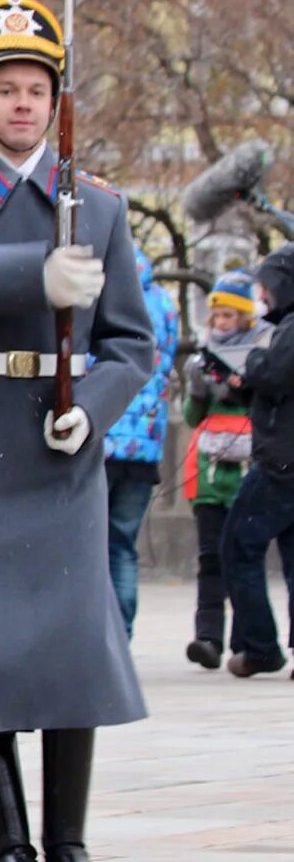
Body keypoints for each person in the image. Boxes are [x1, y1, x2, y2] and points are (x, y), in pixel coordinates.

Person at [0, 0, 152, 862]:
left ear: (56, 101)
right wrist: (32, 273)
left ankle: (67, 839)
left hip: (58, 447)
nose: (23, 104)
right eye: (5, 88)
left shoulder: (97, 205)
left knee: (65, 655)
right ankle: (9, 839)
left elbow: (132, 343)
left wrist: (91, 413)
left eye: (36, 89)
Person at [181, 272, 271, 669]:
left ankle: (245, 640)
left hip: (249, 471)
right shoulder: (203, 358)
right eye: (217, 315)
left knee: (243, 558)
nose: (221, 323)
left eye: (229, 316)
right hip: (210, 473)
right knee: (210, 558)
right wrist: (198, 387)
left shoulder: (264, 354)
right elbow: (191, 416)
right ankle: (208, 637)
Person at [220, 246, 294, 678]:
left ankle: (260, 646)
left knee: (238, 547)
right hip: (285, 456)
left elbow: (275, 373)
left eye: (266, 285)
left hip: (281, 463)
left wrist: (250, 361)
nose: (262, 294)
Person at [102, 251, 179, 636]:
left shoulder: (103, 291)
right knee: (124, 544)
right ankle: (125, 631)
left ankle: (104, 634)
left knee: (94, 544)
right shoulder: (163, 302)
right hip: (146, 446)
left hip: (103, 439)